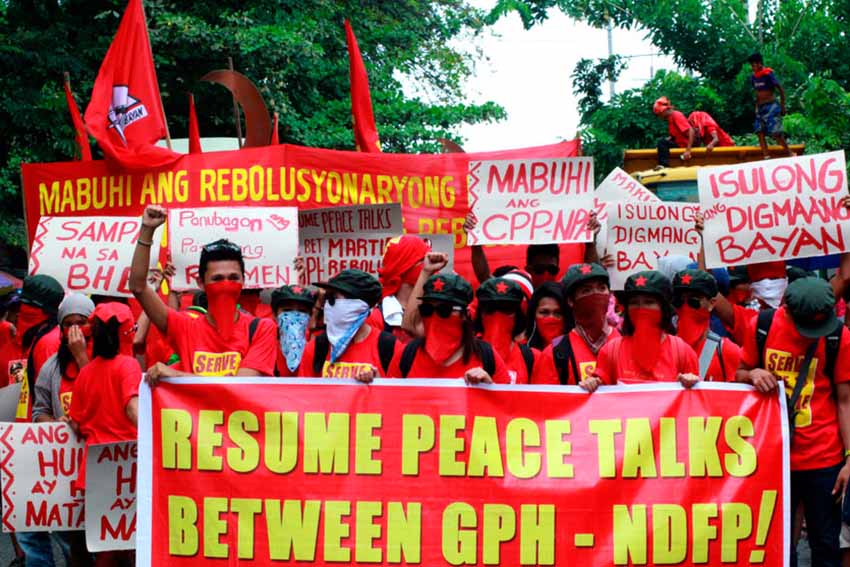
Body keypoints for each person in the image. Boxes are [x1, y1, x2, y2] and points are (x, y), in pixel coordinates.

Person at [736, 277, 850, 566]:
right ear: (786, 309)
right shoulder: (761, 326)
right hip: (773, 456)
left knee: (825, 542)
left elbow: (845, 400)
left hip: (825, 458)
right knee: (778, 544)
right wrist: (753, 375)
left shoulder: (839, 336)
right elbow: (740, 372)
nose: (812, 334)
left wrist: (849, 459)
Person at [129, 204, 278, 380]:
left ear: (243, 281)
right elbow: (139, 287)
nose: (226, 285)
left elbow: (240, 387)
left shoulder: (262, 329)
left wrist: (177, 375)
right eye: (217, 279)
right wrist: (147, 230)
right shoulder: (185, 328)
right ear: (200, 283)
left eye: (233, 278)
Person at [68, 302, 139, 567]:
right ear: (124, 332)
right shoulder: (128, 366)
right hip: (124, 468)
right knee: (129, 545)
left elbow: (76, 423)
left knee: (106, 546)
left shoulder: (85, 372)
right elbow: (132, 408)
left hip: (95, 469)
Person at [29, 293, 94, 567]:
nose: (76, 330)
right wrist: (53, 425)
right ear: (61, 328)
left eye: (83, 322)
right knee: (75, 544)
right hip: (68, 469)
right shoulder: (51, 368)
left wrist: (82, 358)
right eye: (70, 324)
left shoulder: (107, 361)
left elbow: (105, 397)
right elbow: (39, 410)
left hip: (100, 466)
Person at [389, 273, 511, 383]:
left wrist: (489, 387)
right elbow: (387, 402)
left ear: (465, 315)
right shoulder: (406, 356)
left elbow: (508, 405)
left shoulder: (486, 356)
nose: (434, 317)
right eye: (427, 310)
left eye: (444, 310)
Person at [594, 271, 700, 388]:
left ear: (663, 308)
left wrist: (692, 383)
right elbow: (599, 399)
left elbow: (694, 401)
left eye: (649, 302)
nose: (641, 309)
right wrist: (592, 384)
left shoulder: (683, 352)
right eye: (634, 303)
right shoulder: (610, 351)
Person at [299, 270, 401, 380]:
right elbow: (304, 394)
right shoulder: (317, 347)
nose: (328, 304)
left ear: (357, 305)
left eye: (334, 298)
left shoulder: (389, 347)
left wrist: (378, 384)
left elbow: (401, 394)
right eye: (327, 298)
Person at [532, 263, 619, 387]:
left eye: (602, 288)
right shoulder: (555, 353)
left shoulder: (627, 343)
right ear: (571, 301)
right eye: (586, 291)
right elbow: (544, 403)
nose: (596, 295)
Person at [0, 275, 64, 423]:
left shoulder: (49, 342)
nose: (19, 313)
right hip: (14, 428)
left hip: (37, 434)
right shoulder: (11, 336)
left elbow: (51, 397)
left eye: (21, 306)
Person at [672, 269, 741, 382]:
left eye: (693, 300)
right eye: (678, 301)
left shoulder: (727, 351)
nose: (685, 307)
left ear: (711, 304)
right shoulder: (663, 349)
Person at [474, 277, 535, 384]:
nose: (498, 315)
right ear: (480, 313)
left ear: (518, 315)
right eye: (490, 309)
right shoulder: (464, 354)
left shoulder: (533, 358)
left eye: (506, 309)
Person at [372, 235, 430, 340]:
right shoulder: (377, 319)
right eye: (423, 260)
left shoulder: (435, 311)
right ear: (404, 268)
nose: (429, 265)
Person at [748, 52, 794, 159]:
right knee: (759, 131)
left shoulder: (768, 74)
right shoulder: (753, 77)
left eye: (754, 65)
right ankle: (766, 155)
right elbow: (757, 93)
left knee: (776, 133)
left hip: (771, 106)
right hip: (760, 108)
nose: (752, 67)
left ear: (759, 64)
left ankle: (790, 152)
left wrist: (783, 105)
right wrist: (756, 107)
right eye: (751, 65)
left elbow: (780, 89)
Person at [272, 284, 318, 377]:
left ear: (310, 315)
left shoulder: (319, 345)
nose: (294, 316)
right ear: (274, 314)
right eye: (287, 310)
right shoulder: (266, 344)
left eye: (302, 311)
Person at [653, 96, 699, 167]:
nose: (660, 117)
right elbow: (675, 134)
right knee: (662, 142)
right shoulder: (670, 118)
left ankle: (663, 165)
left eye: (660, 114)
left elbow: (691, 131)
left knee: (662, 143)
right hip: (680, 143)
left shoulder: (676, 115)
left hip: (684, 145)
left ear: (664, 110)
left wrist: (688, 150)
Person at [524, 282, 567, 351]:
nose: (551, 318)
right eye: (544, 312)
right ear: (533, 314)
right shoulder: (522, 351)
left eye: (558, 313)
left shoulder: (576, 350)